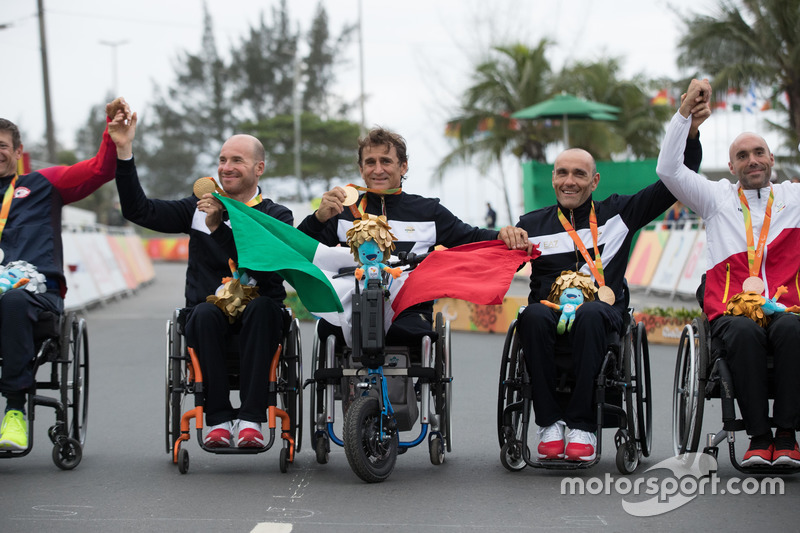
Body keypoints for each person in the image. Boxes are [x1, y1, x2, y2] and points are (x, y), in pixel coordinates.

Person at [515, 110, 707, 463]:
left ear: (594, 180)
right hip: (549, 314)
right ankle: (550, 425)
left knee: (590, 314)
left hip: (602, 313)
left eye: (579, 174)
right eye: (562, 173)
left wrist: (690, 136)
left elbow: (675, 184)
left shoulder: (620, 214)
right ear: (553, 177)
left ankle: (582, 427)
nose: (569, 181)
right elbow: (495, 261)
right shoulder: (531, 224)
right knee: (532, 316)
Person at [110, 109, 293, 449]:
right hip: (208, 316)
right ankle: (219, 420)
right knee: (205, 313)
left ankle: (252, 420)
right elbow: (139, 211)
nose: (226, 167)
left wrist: (218, 228)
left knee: (264, 309)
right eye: (222, 159)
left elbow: (265, 266)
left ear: (259, 168)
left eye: (237, 160)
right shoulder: (198, 207)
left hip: (260, 316)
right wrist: (124, 151)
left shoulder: (276, 215)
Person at [657, 78, 800, 467]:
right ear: (732, 165)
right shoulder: (715, 198)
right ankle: (759, 437)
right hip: (732, 311)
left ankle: (787, 436)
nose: (751, 160)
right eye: (742, 155)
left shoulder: (794, 197)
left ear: (771, 159)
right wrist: (685, 112)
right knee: (742, 330)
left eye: (759, 153)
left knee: (791, 328)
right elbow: (668, 168)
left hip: (788, 309)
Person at [298, 126, 529, 351]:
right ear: (361, 169)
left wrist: (503, 236)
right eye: (370, 162)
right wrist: (318, 218)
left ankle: (408, 390)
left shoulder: (427, 211)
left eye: (386, 161)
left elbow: (471, 238)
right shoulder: (341, 211)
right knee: (329, 331)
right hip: (353, 303)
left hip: (409, 306)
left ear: (403, 166)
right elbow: (300, 249)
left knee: (409, 334)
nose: (378, 169)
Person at [0, 99, 125, 450]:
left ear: (18, 151)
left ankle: (14, 413)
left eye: (2, 146)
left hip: (34, 294)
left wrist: (111, 133)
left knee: (11, 301)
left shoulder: (43, 184)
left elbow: (100, 170)